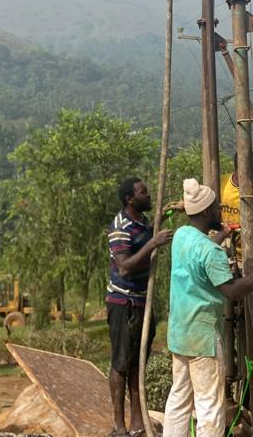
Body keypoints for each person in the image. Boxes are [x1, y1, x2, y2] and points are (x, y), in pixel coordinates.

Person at [163, 178, 253, 437]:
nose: (220, 212)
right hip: (202, 339)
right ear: (205, 211)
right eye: (216, 208)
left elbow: (199, 254)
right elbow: (232, 291)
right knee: (209, 408)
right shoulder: (212, 253)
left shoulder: (181, 236)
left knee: (179, 400)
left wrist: (221, 236)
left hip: (179, 334)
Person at [107, 177, 173, 437]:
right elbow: (124, 265)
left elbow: (150, 231)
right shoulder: (120, 227)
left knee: (138, 365)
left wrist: (168, 212)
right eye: (143, 193)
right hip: (124, 303)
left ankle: (136, 423)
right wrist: (153, 243)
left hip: (142, 302)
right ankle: (118, 425)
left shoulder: (143, 223)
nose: (148, 195)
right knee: (121, 364)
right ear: (129, 200)